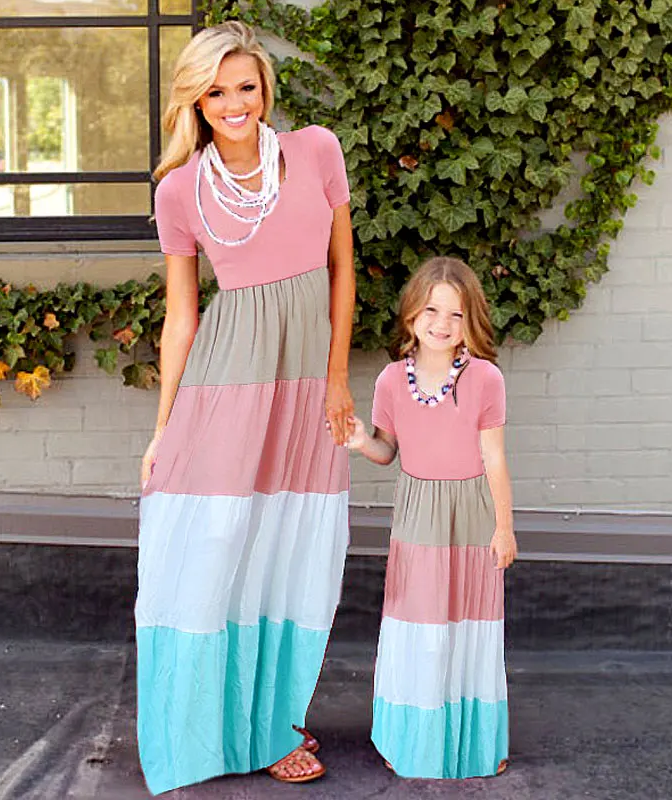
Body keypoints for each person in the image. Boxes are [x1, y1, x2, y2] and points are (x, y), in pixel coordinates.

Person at [134, 21, 356, 795]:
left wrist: (336, 378)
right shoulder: (179, 191)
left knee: (292, 548)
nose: (234, 104)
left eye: (246, 87)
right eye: (216, 92)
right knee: (220, 540)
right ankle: (215, 724)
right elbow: (182, 318)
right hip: (226, 382)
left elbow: (342, 270)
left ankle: (273, 720)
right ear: (195, 101)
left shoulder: (316, 151)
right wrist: (163, 428)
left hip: (305, 384)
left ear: (265, 89)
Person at [347, 256, 516, 779]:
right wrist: (361, 440)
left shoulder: (485, 379)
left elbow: (494, 458)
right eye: (431, 310)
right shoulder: (391, 381)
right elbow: (387, 451)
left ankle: (475, 740)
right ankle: (412, 738)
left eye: (456, 314)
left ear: (471, 320)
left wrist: (504, 527)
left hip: (472, 513)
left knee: (470, 625)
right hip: (418, 514)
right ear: (412, 314)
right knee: (417, 625)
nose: (442, 323)